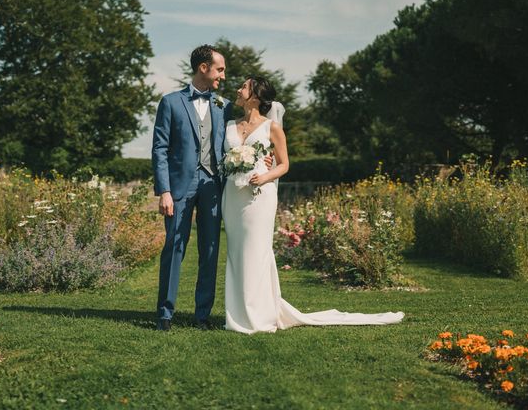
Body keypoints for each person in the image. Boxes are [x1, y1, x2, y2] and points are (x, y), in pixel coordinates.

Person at [222, 76, 405, 334]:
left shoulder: (271, 128)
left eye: (244, 87)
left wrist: (265, 175)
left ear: (255, 96)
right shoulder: (229, 125)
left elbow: (284, 164)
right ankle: (236, 314)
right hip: (232, 195)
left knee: (256, 252)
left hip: (259, 197)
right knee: (236, 252)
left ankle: (258, 316)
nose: (238, 90)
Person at [151, 44, 231, 331]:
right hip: (179, 187)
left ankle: (202, 315)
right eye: (219, 69)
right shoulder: (171, 102)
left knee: (210, 249)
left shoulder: (223, 105)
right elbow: (159, 149)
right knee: (174, 247)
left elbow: (244, 133)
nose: (222, 75)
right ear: (204, 68)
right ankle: (165, 314)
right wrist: (165, 191)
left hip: (213, 185)